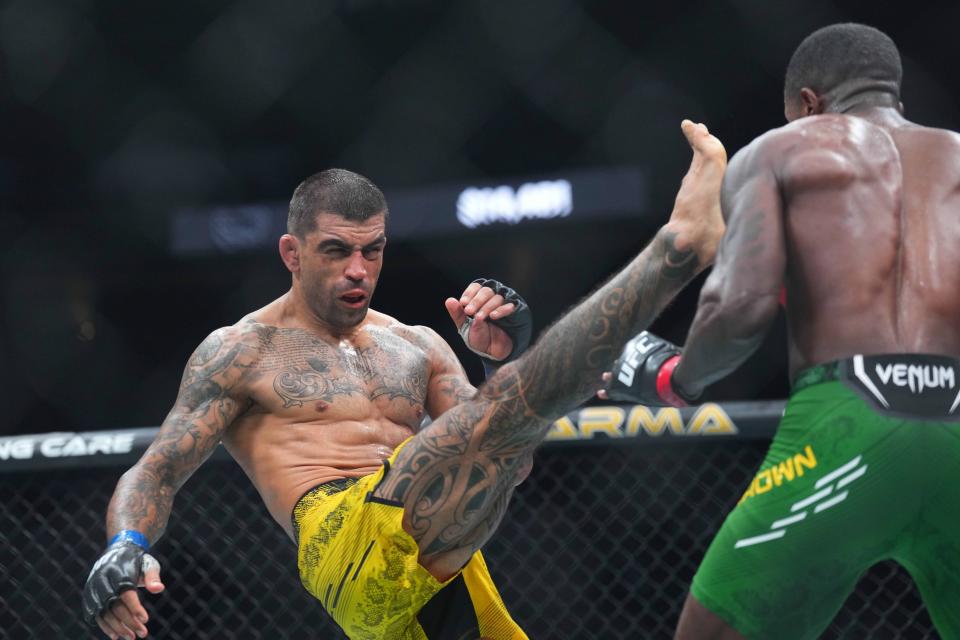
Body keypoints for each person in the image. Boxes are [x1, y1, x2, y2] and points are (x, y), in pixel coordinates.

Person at [82, 118, 726, 640]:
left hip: (448, 558)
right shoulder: (241, 350)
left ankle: (601, 366)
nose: (358, 269)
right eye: (336, 251)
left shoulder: (416, 343)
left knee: (501, 412)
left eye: (374, 250)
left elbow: (506, 464)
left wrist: (499, 361)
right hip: (344, 544)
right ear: (292, 252)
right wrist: (125, 546)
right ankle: (672, 257)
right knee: (498, 412)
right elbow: (156, 469)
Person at [604, 23, 960, 640]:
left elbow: (739, 307)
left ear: (809, 105)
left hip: (847, 428)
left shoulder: (781, 150)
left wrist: (672, 379)